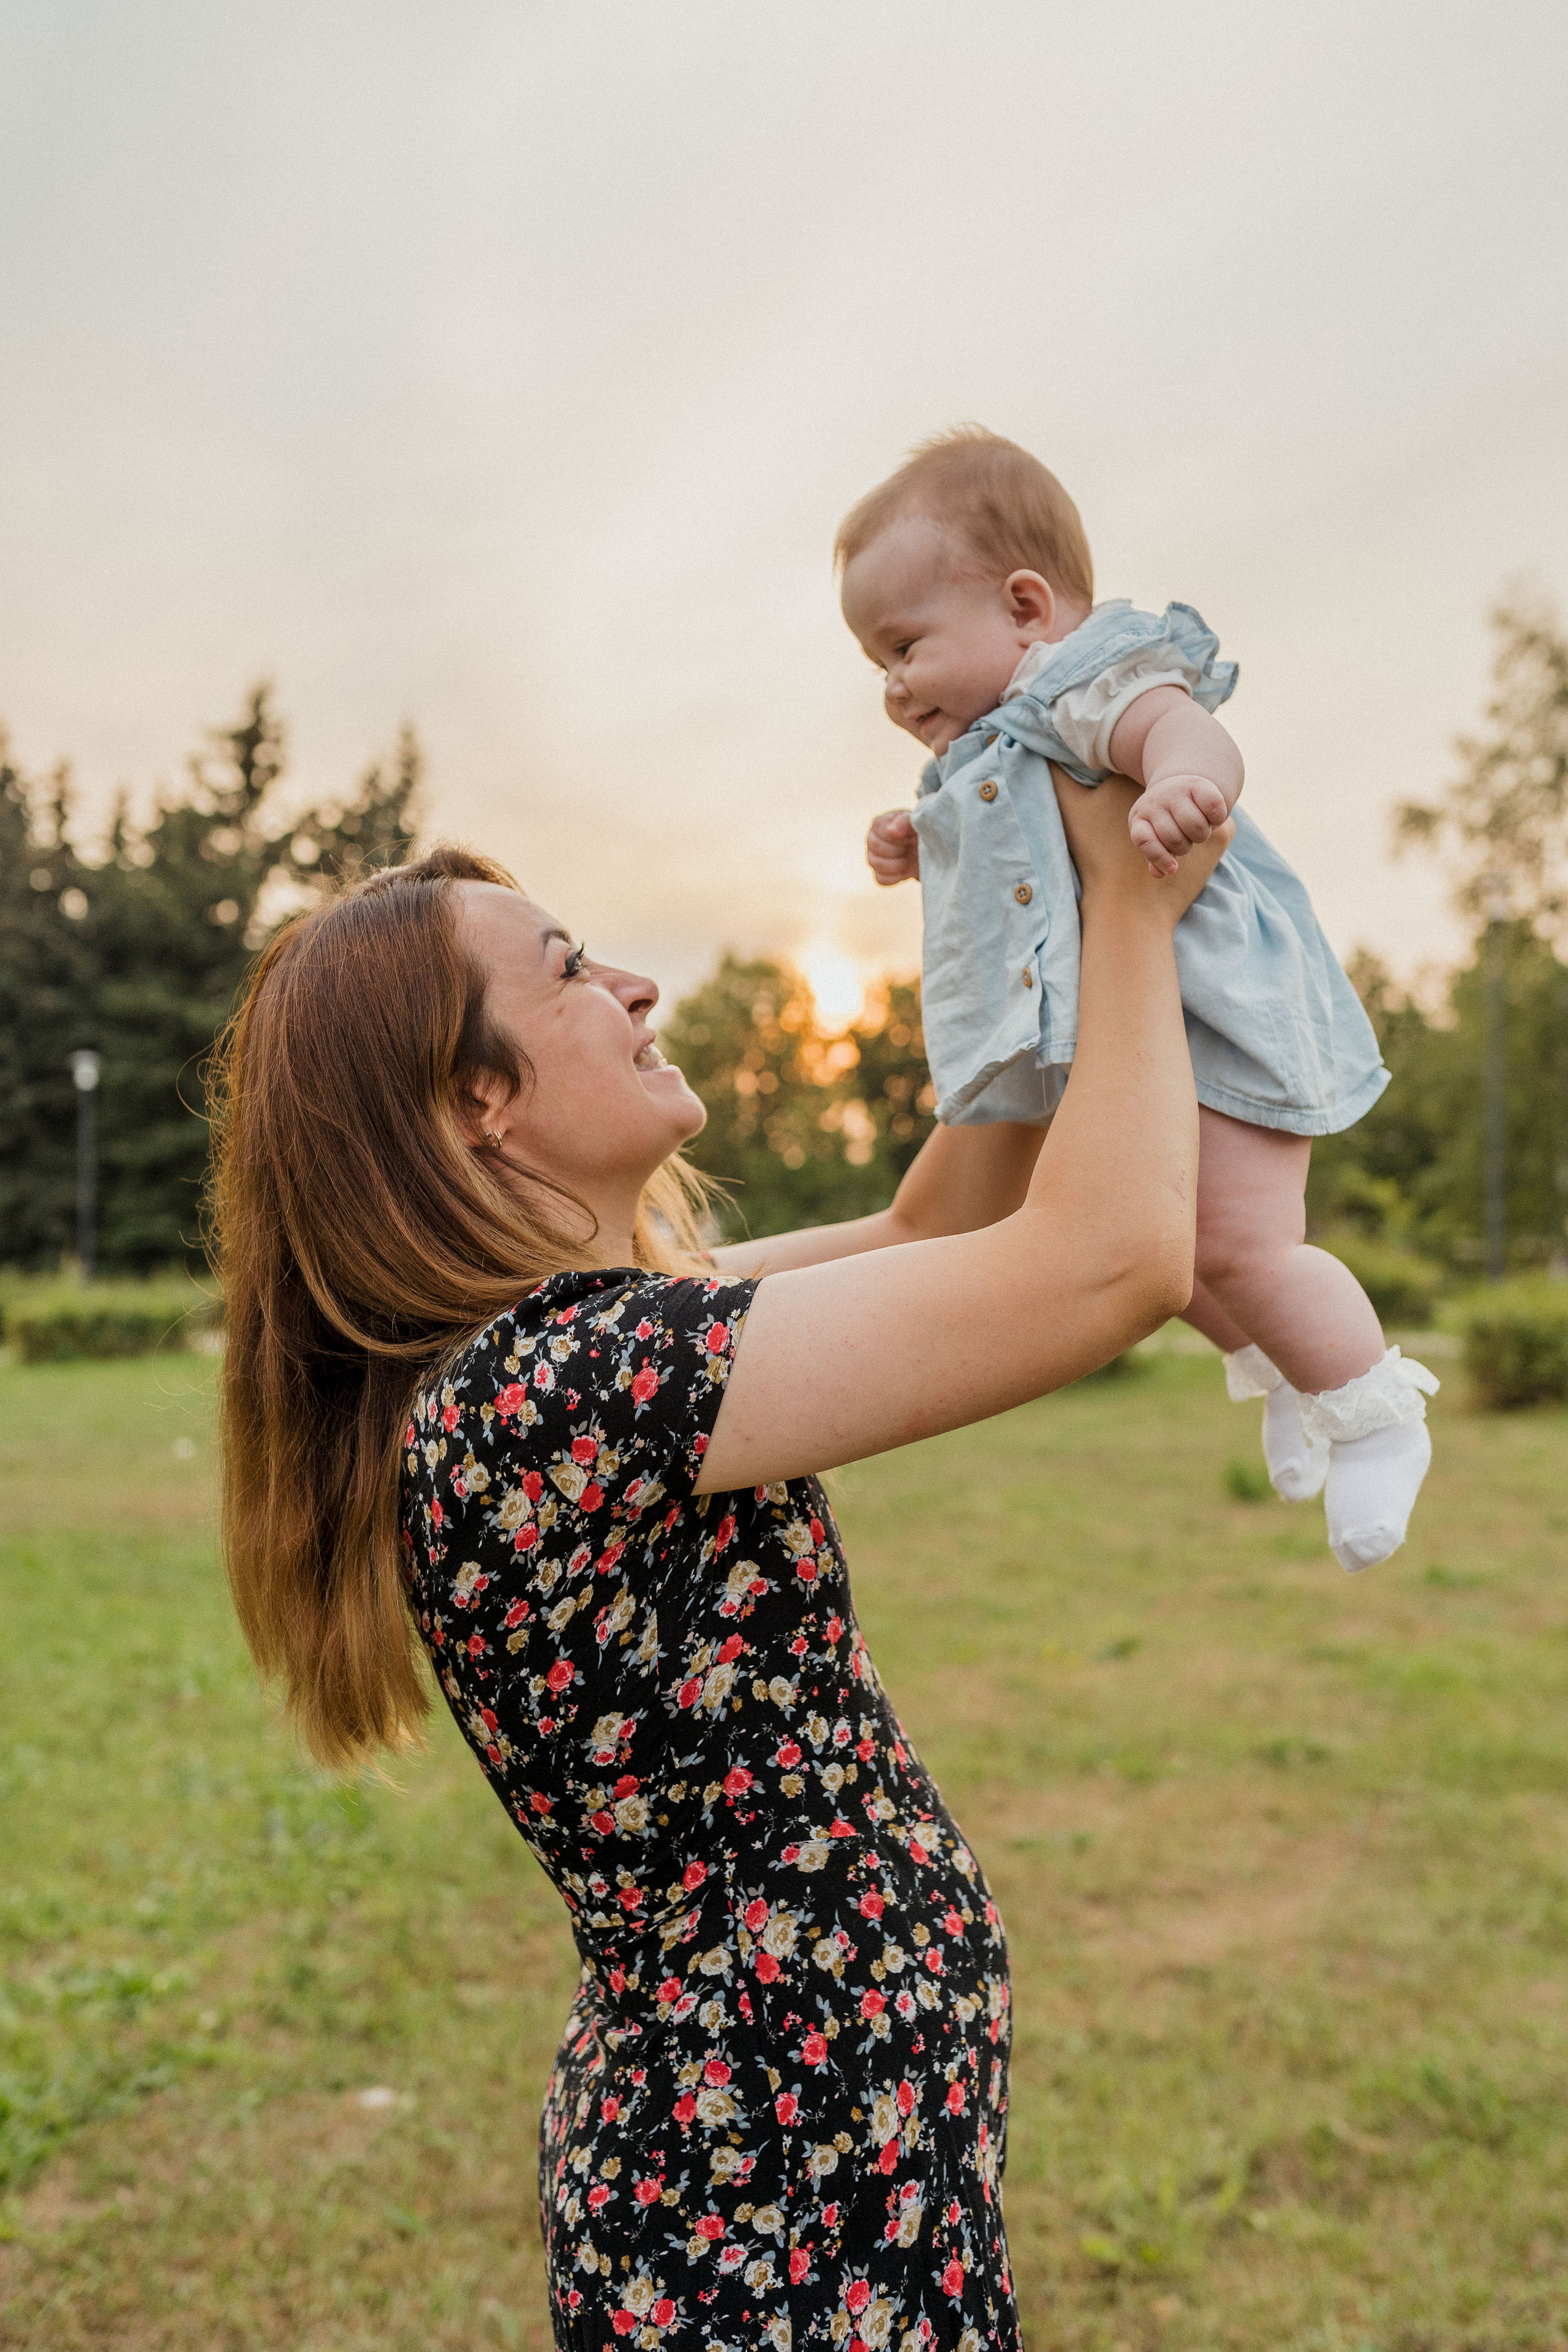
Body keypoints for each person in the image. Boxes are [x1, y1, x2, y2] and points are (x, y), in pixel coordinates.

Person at [214, 774, 1222, 2352]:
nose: (632, 984)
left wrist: (1003, 886)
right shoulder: (560, 1383)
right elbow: (1107, 1261)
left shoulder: (569, 1355)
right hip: (765, 2207)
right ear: (475, 1099)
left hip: (800, 2173)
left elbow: (941, 1220)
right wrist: (1133, 907)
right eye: (565, 966)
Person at [840, 424, 1439, 1574]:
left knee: (1249, 1244)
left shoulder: (1082, 679)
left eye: (905, 646)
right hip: (1138, 1033)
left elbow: (1187, 729)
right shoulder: (984, 749)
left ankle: (1376, 1412)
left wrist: (1181, 783)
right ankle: (1286, 1374)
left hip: (1219, 1008)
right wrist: (925, 839)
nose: (893, 685)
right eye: (877, 664)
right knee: (1167, 1258)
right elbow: (1021, 854)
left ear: (1026, 607)